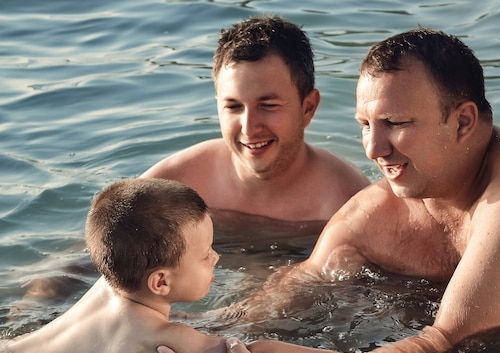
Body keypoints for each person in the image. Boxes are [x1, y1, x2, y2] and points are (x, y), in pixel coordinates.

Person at [159, 27, 500, 353]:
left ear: (463, 121)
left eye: (395, 123)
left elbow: (443, 343)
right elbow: (290, 292)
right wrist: (176, 334)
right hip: (493, 350)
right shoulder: (380, 208)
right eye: (365, 124)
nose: (373, 149)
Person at [0, 178, 400, 353]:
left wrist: (203, 317)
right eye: (205, 254)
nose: (216, 258)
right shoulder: (161, 336)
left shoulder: (108, 286)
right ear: (160, 281)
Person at [142, 15, 369, 222]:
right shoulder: (176, 185)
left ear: (308, 108)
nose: (249, 129)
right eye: (233, 106)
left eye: (268, 105)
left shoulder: (348, 204)